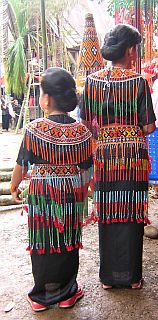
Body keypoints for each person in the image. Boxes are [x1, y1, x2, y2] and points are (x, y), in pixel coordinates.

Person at [10, 67, 93, 311]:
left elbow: (21, 164)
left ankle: (41, 296)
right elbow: (87, 170)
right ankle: (67, 293)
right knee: (68, 240)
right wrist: (82, 190)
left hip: (42, 193)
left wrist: (14, 186)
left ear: (46, 98)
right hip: (70, 192)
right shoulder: (82, 132)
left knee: (43, 241)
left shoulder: (34, 129)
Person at [80, 24, 156, 289]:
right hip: (133, 158)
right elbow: (148, 127)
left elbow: (87, 124)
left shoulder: (91, 82)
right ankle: (132, 277)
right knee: (132, 210)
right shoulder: (138, 83)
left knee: (109, 210)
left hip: (105, 157)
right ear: (130, 50)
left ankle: (109, 278)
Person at [148, 76, 158, 198]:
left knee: (155, 156)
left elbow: (153, 103)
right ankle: (155, 189)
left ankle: (155, 189)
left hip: (156, 125)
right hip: (156, 125)